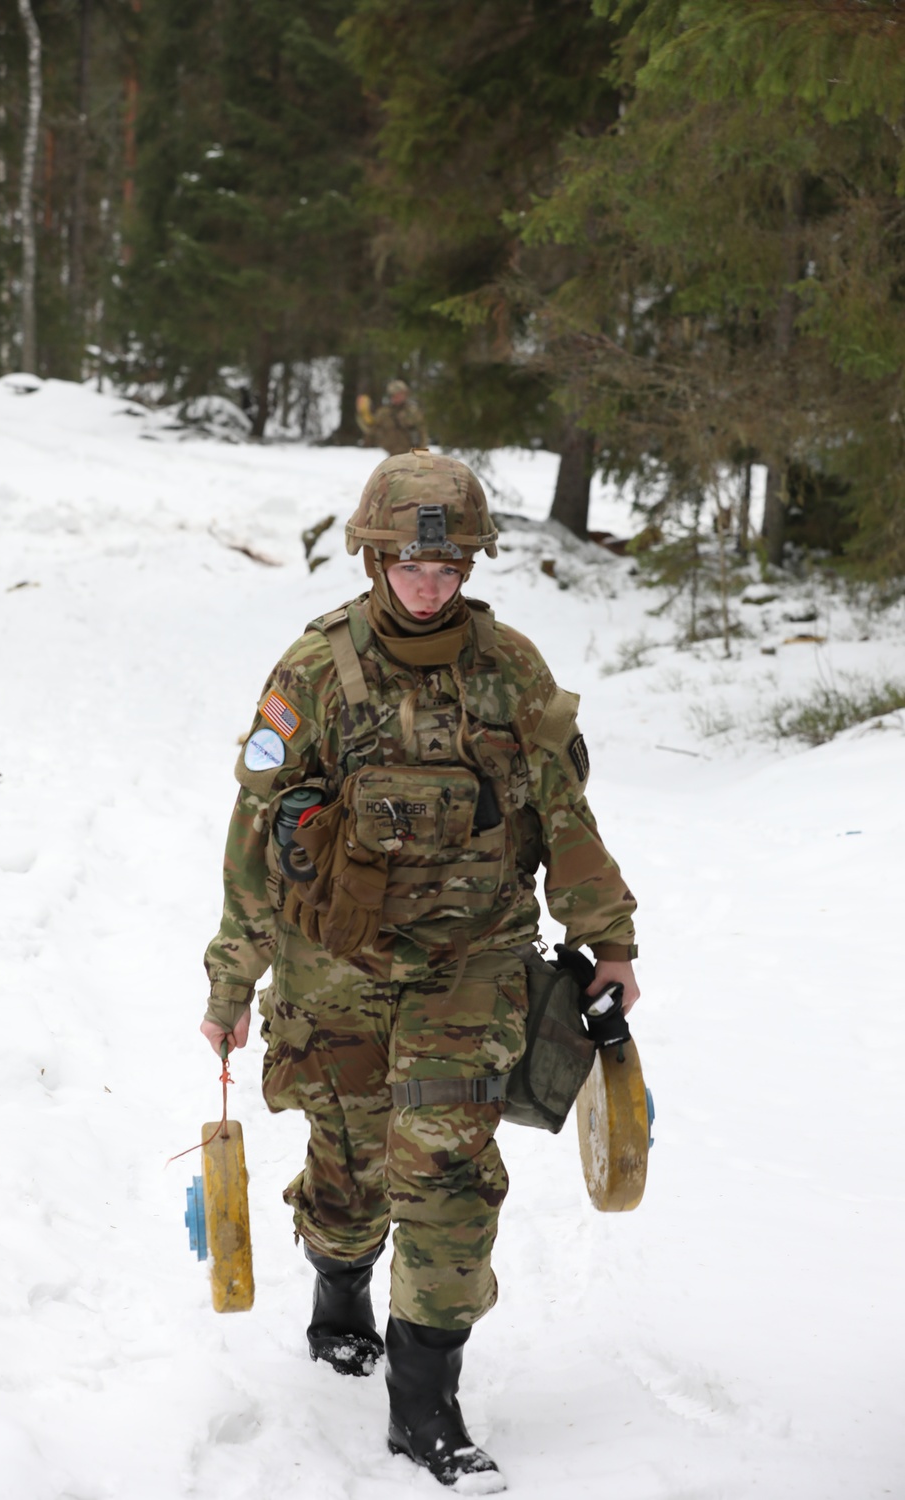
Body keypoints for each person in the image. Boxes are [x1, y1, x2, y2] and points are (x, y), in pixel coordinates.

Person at [200, 449, 639, 1492]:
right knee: (350, 1168)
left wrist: (607, 935)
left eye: (448, 569)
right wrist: (231, 979)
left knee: (444, 1174)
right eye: (409, 564)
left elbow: (564, 817)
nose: (430, 584)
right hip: (335, 965)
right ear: (372, 555)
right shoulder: (312, 672)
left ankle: (424, 1405)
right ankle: (339, 1286)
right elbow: (256, 836)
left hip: (472, 963)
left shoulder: (511, 670)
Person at [356, 378, 429, 455]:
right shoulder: (383, 413)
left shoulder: (413, 412)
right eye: (394, 395)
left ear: (405, 394)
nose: (396, 397)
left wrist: (421, 452)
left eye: (399, 394)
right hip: (392, 455)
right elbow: (371, 430)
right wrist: (362, 414)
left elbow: (422, 433)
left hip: (411, 455)